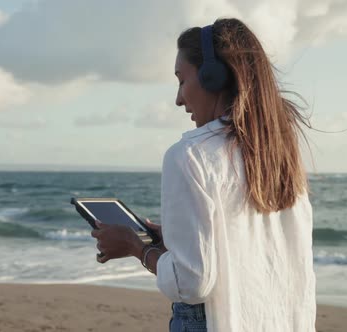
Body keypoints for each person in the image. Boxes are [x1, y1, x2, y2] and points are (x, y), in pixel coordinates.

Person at [91, 18, 316, 331]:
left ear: (213, 77)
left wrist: (136, 247)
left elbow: (192, 284)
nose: (179, 99)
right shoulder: (281, 155)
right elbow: (256, 251)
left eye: (181, 80)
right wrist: (174, 241)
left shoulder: (190, 156)